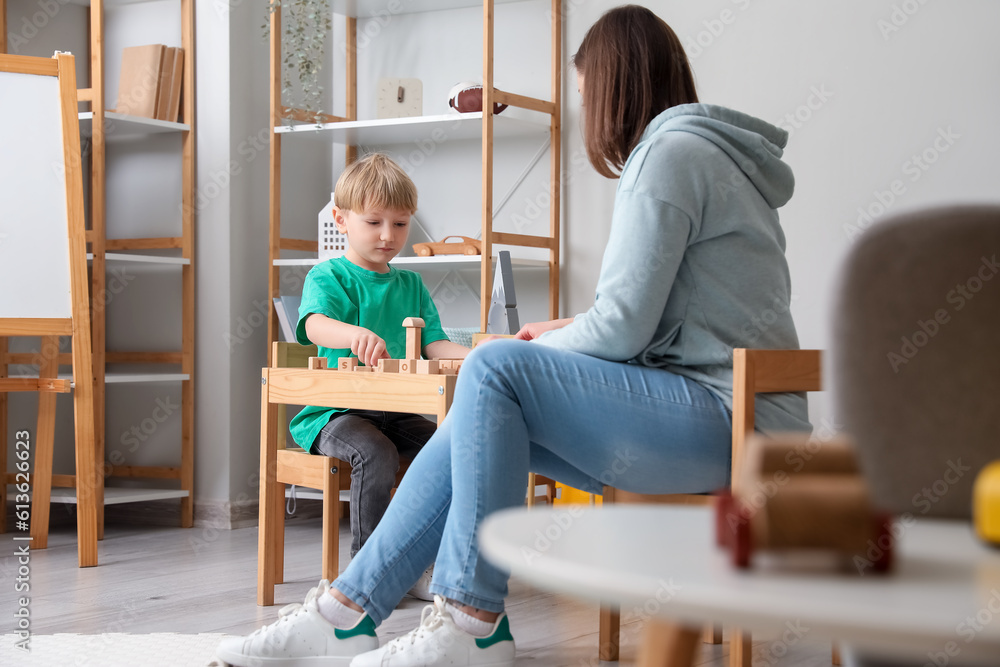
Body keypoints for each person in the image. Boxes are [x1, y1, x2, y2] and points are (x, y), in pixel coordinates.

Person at [216, 5, 811, 667]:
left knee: (494, 370)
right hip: (727, 413)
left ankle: (468, 620)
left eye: (587, 97)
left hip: (732, 426)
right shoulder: (703, 153)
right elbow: (671, 313)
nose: (588, 115)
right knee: (485, 403)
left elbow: (623, 329)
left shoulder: (669, 156)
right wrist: (562, 329)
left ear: (616, 87)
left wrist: (525, 351)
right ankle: (346, 611)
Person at [289, 153, 469, 567]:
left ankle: (433, 561)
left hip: (396, 411)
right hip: (335, 415)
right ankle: (370, 568)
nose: (388, 235)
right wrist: (352, 334)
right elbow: (313, 324)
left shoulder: (412, 284)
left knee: (452, 450)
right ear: (341, 219)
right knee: (376, 453)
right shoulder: (328, 276)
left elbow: (434, 344)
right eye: (374, 222)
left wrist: (481, 353)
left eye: (401, 223)